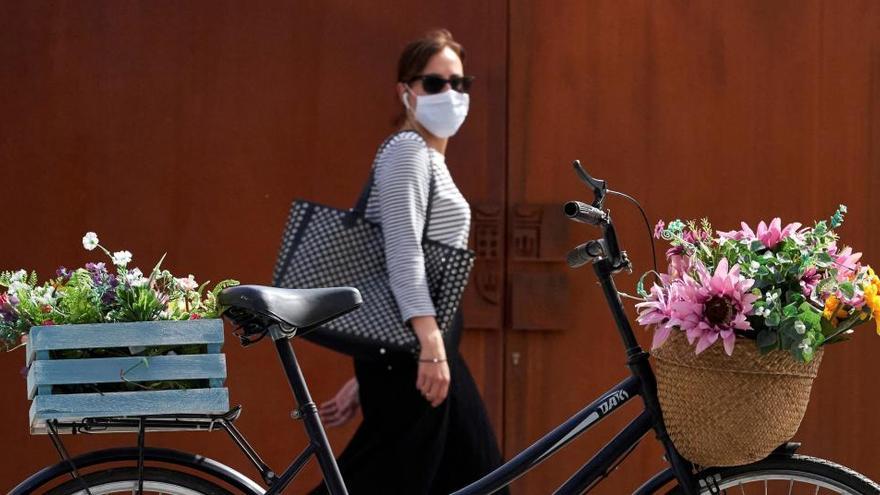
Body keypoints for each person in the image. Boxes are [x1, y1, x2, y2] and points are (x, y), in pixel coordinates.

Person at [309, 29, 507, 495]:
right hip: (424, 345)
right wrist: (428, 344)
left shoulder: (429, 159)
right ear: (406, 92)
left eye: (459, 83)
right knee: (387, 478)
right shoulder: (406, 151)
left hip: (419, 347)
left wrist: (379, 368)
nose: (451, 94)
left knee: (478, 475)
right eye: (434, 84)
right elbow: (403, 252)